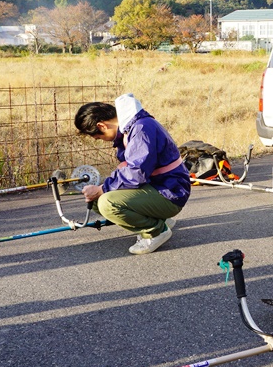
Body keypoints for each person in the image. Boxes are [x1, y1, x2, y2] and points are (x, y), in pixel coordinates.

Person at [74, 94, 191, 255]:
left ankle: (156, 231)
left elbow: (137, 173)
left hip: (170, 193)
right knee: (97, 200)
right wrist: (103, 189)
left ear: (102, 126)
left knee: (107, 203)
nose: (102, 140)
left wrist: (103, 188)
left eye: (98, 137)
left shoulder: (141, 129)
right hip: (161, 186)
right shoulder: (131, 128)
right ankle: (159, 219)